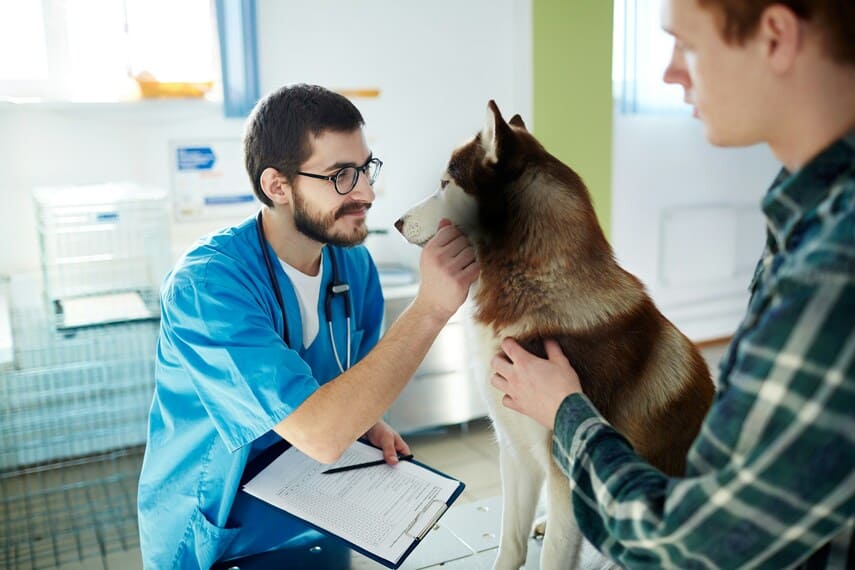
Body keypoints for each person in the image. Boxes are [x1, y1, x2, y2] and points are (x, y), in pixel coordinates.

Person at [490, 0, 854, 568]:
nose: (669, 73)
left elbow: (690, 546)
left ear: (776, 36)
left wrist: (567, 410)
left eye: (686, 43)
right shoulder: (806, 214)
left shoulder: (834, 271)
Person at [137, 84, 479, 569]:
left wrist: (367, 423)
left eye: (365, 169)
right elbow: (320, 432)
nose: (366, 192)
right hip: (218, 540)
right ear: (277, 186)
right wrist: (430, 309)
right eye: (341, 176)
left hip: (318, 514)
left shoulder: (351, 266)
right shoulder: (207, 288)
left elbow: (350, 384)